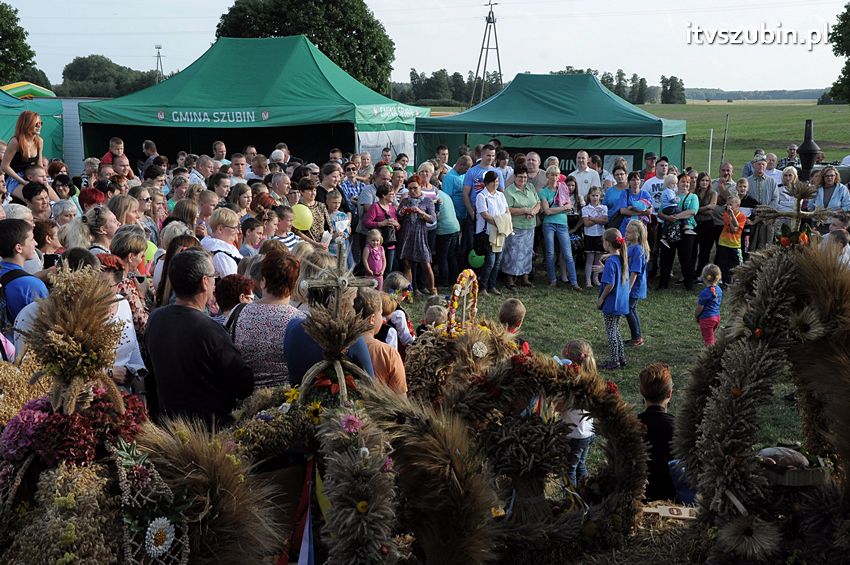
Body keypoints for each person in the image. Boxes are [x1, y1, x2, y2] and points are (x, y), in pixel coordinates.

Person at [145, 248, 254, 425]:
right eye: (214, 277)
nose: (215, 284)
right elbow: (243, 385)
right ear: (205, 282)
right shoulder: (210, 330)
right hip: (209, 433)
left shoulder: (156, 319)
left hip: (169, 427)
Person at [282, 253, 375, 385]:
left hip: (298, 400)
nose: (354, 305)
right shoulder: (350, 337)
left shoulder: (293, 327)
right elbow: (370, 383)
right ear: (343, 301)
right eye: (353, 300)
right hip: (340, 403)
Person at [232, 251, 304, 388]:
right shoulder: (300, 320)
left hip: (244, 399)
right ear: (294, 285)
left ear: (263, 282)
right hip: (287, 400)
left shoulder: (238, 312)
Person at [355, 287, 407, 395]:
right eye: (381, 313)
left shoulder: (336, 346)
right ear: (372, 318)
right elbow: (401, 401)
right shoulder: (388, 353)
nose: (382, 318)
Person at [559, 339, 597, 485]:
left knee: (569, 471)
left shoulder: (571, 385)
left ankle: (574, 502)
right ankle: (587, 493)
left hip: (574, 435)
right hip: (588, 432)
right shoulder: (592, 379)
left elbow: (560, 407)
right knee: (580, 465)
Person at [637, 363, 677, 502]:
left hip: (636, 497)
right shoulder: (679, 428)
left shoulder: (629, 425)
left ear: (642, 391)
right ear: (669, 394)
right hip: (672, 498)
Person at [0, 218, 48, 326]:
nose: (35, 243)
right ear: (19, 248)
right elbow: (46, 324)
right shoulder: (32, 285)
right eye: (31, 239)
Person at [539, 166, 580, 290]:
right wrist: (563, 208)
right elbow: (547, 211)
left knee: (568, 253)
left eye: (556, 175)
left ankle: (574, 282)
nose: (554, 177)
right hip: (549, 224)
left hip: (562, 224)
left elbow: (569, 205)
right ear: (547, 176)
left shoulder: (563, 188)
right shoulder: (544, 192)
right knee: (550, 253)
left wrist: (556, 209)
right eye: (552, 175)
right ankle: (553, 280)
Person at [501, 164, 539, 289]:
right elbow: (508, 210)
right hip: (515, 227)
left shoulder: (531, 187)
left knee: (527, 253)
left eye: (525, 177)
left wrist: (533, 211)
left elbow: (538, 203)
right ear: (515, 177)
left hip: (529, 226)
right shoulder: (509, 191)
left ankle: (525, 278)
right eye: (520, 177)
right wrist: (524, 210)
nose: (523, 180)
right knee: (512, 253)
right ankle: (510, 280)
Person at [657, 174, 699, 290]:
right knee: (666, 257)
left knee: (686, 258)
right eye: (683, 182)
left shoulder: (693, 197)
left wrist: (675, 216)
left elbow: (692, 211)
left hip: (686, 230)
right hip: (670, 229)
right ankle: (663, 283)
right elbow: (660, 211)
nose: (685, 184)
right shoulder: (670, 194)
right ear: (677, 183)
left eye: (688, 182)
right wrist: (668, 217)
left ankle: (688, 284)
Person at [595, 228, 629, 370]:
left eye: (603, 241)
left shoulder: (611, 262)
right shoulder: (622, 258)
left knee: (611, 332)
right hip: (620, 302)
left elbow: (610, 284)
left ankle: (614, 361)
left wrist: (601, 299)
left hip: (611, 302)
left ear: (608, 243)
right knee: (616, 330)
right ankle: (621, 358)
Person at [398, 175, 437, 295]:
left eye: (415, 188)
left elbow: (432, 219)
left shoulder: (427, 201)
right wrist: (402, 212)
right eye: (410, 189)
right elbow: (398, 216)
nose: (412, 191)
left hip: (421, 234)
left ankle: (432, 290)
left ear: (421, 186)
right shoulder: (405, 200)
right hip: (407, 234)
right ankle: (408, 292)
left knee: (426, 263)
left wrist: (420, 212)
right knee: (407, 264)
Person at [475, 171, 510, 295]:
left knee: (498, 261)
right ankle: (483, 286)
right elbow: (485, 215)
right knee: (490, 261)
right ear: (486, 183)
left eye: (497, 182)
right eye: (492, 182)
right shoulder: (481, 196)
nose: (495, 184)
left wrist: (504, 223)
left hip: (500, 232)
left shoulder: (500, 195)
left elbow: (507, 211)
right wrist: (499, 223)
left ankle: (492, 285)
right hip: (488, 232)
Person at [746, 155, 778, 252]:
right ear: (753, 165)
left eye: (763, 164)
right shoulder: (747, 181)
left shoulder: (772, 181)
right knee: (751, 246)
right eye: (759, 164)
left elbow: (775, 199)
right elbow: (744, 199)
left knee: (766, 246)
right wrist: (754, 213)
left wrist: (765, 213)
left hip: (767, 220)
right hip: (752, 219)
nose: (761, 166)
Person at [624, 221, 649, 347]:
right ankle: (636, 336)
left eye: (629, 232)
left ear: (637, 234)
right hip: (630, 285)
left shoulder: (638, 250)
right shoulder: (630, 246)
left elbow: (635, 271)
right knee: (631, 309)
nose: (626, 233)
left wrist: (628, 289)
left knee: (629, 310)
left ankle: (637, 337)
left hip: (634, 286)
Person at [716, 195, 746, 285]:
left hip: (735, 244)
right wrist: (730, 218)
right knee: (723, 263)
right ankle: (726, 281)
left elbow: (735, 228)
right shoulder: (725, 214)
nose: (728, 206)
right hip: (724, 242)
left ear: (737, 206)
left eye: (731, 204)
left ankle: (738, 281)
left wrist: (732, 215)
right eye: (727, 204)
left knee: (737, 263)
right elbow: (732, 227)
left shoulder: (742, 217)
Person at [581, 187, 608, 288]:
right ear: (589, 196)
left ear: (600, 196)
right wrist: (598, 219)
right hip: (589, 235)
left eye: (597, 195)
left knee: (598, 258)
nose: (595, 197)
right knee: (590, 258)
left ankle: (595, 278)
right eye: (593, 195)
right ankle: (588, 280)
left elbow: (605, 221)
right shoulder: (585, 209)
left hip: (600, 235)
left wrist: (592, 218)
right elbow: (586, 223)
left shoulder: (604, 208)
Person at [295, 177, 331, 249]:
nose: (313, 193)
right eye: (310, 190)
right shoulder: (298, 208)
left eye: (314, 190)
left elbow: (329, 226)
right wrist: (315, 244)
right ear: (301, 192)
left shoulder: (321, 206)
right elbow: (298, 232)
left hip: (323, 245)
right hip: (307, 247)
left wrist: (326, 243)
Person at [695, 264, 723, 347]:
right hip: (716, 317)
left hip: (707, 319)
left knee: (708, 340)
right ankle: (714, 350)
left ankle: (710, 355)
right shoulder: (719, 290)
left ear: (704, 277)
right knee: (711, 337)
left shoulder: (705, 293)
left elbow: (700, 307)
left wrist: (696, 315)